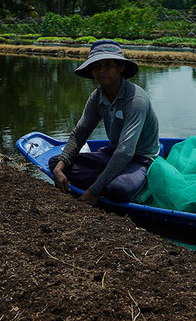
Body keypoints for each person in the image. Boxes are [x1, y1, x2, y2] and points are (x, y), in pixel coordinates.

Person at [51, 39, 160, 205]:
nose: (101, 71)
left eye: (107, 65)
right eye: (96, 66)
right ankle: (106, 177)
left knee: (118, 190)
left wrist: (94, 191)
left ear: (121, 68)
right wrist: (59, 167)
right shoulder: (97, 97)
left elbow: (125, 151)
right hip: (112, 153)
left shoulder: (135, 100)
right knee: (55, 162)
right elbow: (80, 133)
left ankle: (117, 180)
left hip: (139, 159)